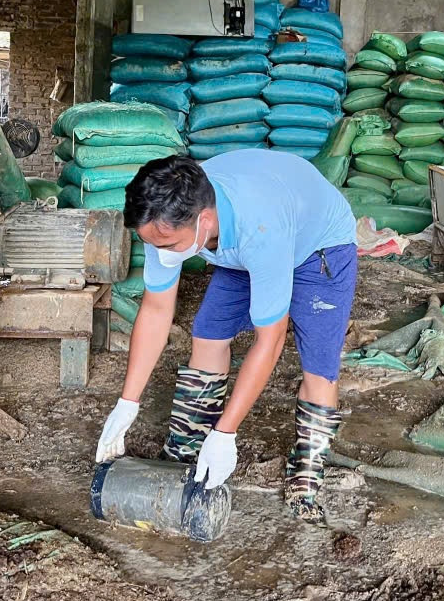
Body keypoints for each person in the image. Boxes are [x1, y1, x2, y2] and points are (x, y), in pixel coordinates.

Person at [94, 149, 358, 523]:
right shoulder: (166, 223)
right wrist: (128, 403)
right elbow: (155, 310)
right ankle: (187, 443)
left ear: (204, 221)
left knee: (318, 363)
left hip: (317, 249)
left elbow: (271, 339)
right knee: (209, 334)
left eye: (167, 246)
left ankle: (307, 469)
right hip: (242, 245)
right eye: (153, 244)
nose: (159, 253)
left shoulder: (260, 228)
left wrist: (227, 433)